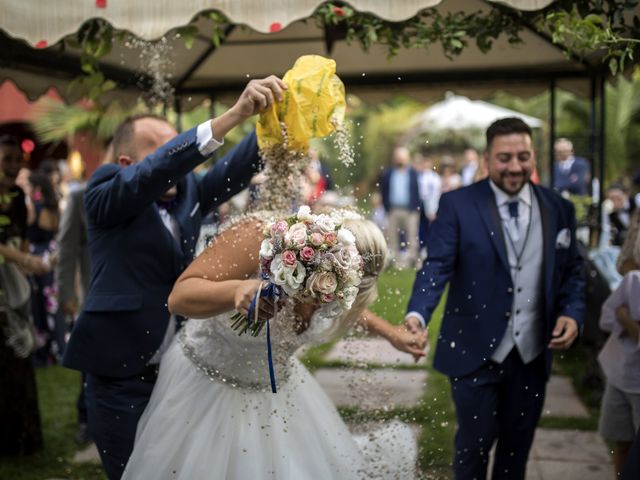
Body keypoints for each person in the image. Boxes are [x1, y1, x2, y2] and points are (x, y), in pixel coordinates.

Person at [62, 76, 289, 480]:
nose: (179, 153)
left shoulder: (188, 192)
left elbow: (236, 169)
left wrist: (278, 115)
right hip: (119, 376)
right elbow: (156, 171)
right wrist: (231, 115)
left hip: (178, 369)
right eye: (164, 145)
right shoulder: (102, 190)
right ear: (129, 163)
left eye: (179, 142)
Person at [122, 211, 422, 479]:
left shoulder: (334, 281)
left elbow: (349, 309)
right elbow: (178, 298)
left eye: (338, 297)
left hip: (277, 395)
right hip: (205, 386)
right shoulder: (260, 237)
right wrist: (235, 291)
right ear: (319, 255)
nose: (327, 303)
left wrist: (392, 334)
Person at [405, 117, 585, 479]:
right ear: (487, 158)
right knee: (473, 446)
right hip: (474, 350)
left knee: (516, 452)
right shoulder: (458, 204)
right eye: (505, 158)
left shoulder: (558, 208)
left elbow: (573, 271)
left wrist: (573, 312)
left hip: (532, 355)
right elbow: (437, 265)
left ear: (534, 155)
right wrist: (418, 313)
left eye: (523, 156)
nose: (515, 167)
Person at [0, 135, 51, 456]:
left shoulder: (18, 195)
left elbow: (20, 239)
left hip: (14, 285)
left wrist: (30, 263)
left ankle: (19, 439)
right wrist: (24, 260)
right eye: (7, 159)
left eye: (17, 160)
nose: (14, 165)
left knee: (18, 357)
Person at [597, 271, 640, 477]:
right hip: (619, 374)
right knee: (621, 442)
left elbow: (618, 314)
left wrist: (626, 319)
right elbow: (606, 317)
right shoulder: (634, 280)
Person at [26, 170, 65, 365]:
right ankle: (58, 347)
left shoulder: (33, 208)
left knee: (37, 306)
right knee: (53, 305)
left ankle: (42, 352)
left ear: (37, 188)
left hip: (36, 260)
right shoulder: (53, 207)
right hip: (52, 256)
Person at [379, 146, 421, 269]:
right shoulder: (388, 173)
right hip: (393, 209)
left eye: (402, 157)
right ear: (394, 158)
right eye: (398, 157)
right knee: (392, 237)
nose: (400, 159)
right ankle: (396, 262)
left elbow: (417, 191)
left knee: (412, 237)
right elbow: (383, 191)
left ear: (407, 158)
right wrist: (386, 207)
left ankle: (412, 260)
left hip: (410, 210)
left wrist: (416, 208)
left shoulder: (413, 173)